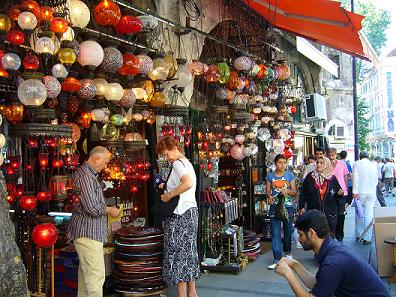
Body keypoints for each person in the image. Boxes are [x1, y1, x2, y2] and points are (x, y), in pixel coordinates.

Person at [275, 209, 391, 297]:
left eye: (300, 235)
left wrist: (288, 275)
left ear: (311, 233)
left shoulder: (333, 262)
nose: (299, 239)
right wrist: (295, 265)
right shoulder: (332, 248)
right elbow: (319, 285)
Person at [67, 146, 121, 297]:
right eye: (104, 163)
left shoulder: (88, 175)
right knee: (95, 277)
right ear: (96, 159)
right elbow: (91, 207)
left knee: (87, 278)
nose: (105, 167)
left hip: (90, 233)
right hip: (87, 232)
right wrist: (110, 210)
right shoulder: (85, 176)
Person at [156, 136, 200, 297]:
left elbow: (187, 183)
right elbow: (189, 184)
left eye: (165, 153)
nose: (165, 157)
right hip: (190, 211)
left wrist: (169, 195)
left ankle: (182, 293)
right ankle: (192, 291)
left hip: (179, 213)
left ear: (174, 148)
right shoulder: (187, 163)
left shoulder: (177, 164)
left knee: (177, 251)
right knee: (189, 251)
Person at [266, 154, 297, 270]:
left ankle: (288, 252)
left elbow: (294, 192)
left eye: (284, 162)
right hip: (275, 207)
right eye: (280, 162)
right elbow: (268, 191)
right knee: (275, 233)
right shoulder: (270, 176)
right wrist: (269, 197)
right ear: (275, 164)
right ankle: (277, 259)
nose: (282, 164)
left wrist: (288, 191)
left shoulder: (290, 175)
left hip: (288, 207)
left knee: (288, 231)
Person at [299, 157, 343, 237]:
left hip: (330, 214)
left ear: (327, 164)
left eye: (321, 163)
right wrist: (301, 206)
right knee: (316, 237)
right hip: (314, 213)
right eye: (317, 162)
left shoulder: (332, 178)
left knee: (329, 238)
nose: (318, 165)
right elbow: (303, 193)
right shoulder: (310, 177)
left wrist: (340, 194)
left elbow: (338, 194)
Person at [352, 151, 378, 245]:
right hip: (371, 192)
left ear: (359, 156)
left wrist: (355, 191)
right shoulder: (374, 165)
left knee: (359, 213)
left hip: (360, 192)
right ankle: (367, 237)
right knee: (369, 214)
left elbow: (355, 177)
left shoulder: (357, 164)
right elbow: (376, 179)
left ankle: (359, 234)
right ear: (368, 156)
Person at [327, 148, 349, 242]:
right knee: (331, 214)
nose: (331, 157)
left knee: (341, 214)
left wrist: (346, 190)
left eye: (333, 155)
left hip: (341, 192)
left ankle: (340, 236)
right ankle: (332, 235)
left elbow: (345, 176)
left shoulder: (342, 164)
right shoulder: (326, 164)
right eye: (329, 155)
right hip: (330, 193)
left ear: (336, 154)